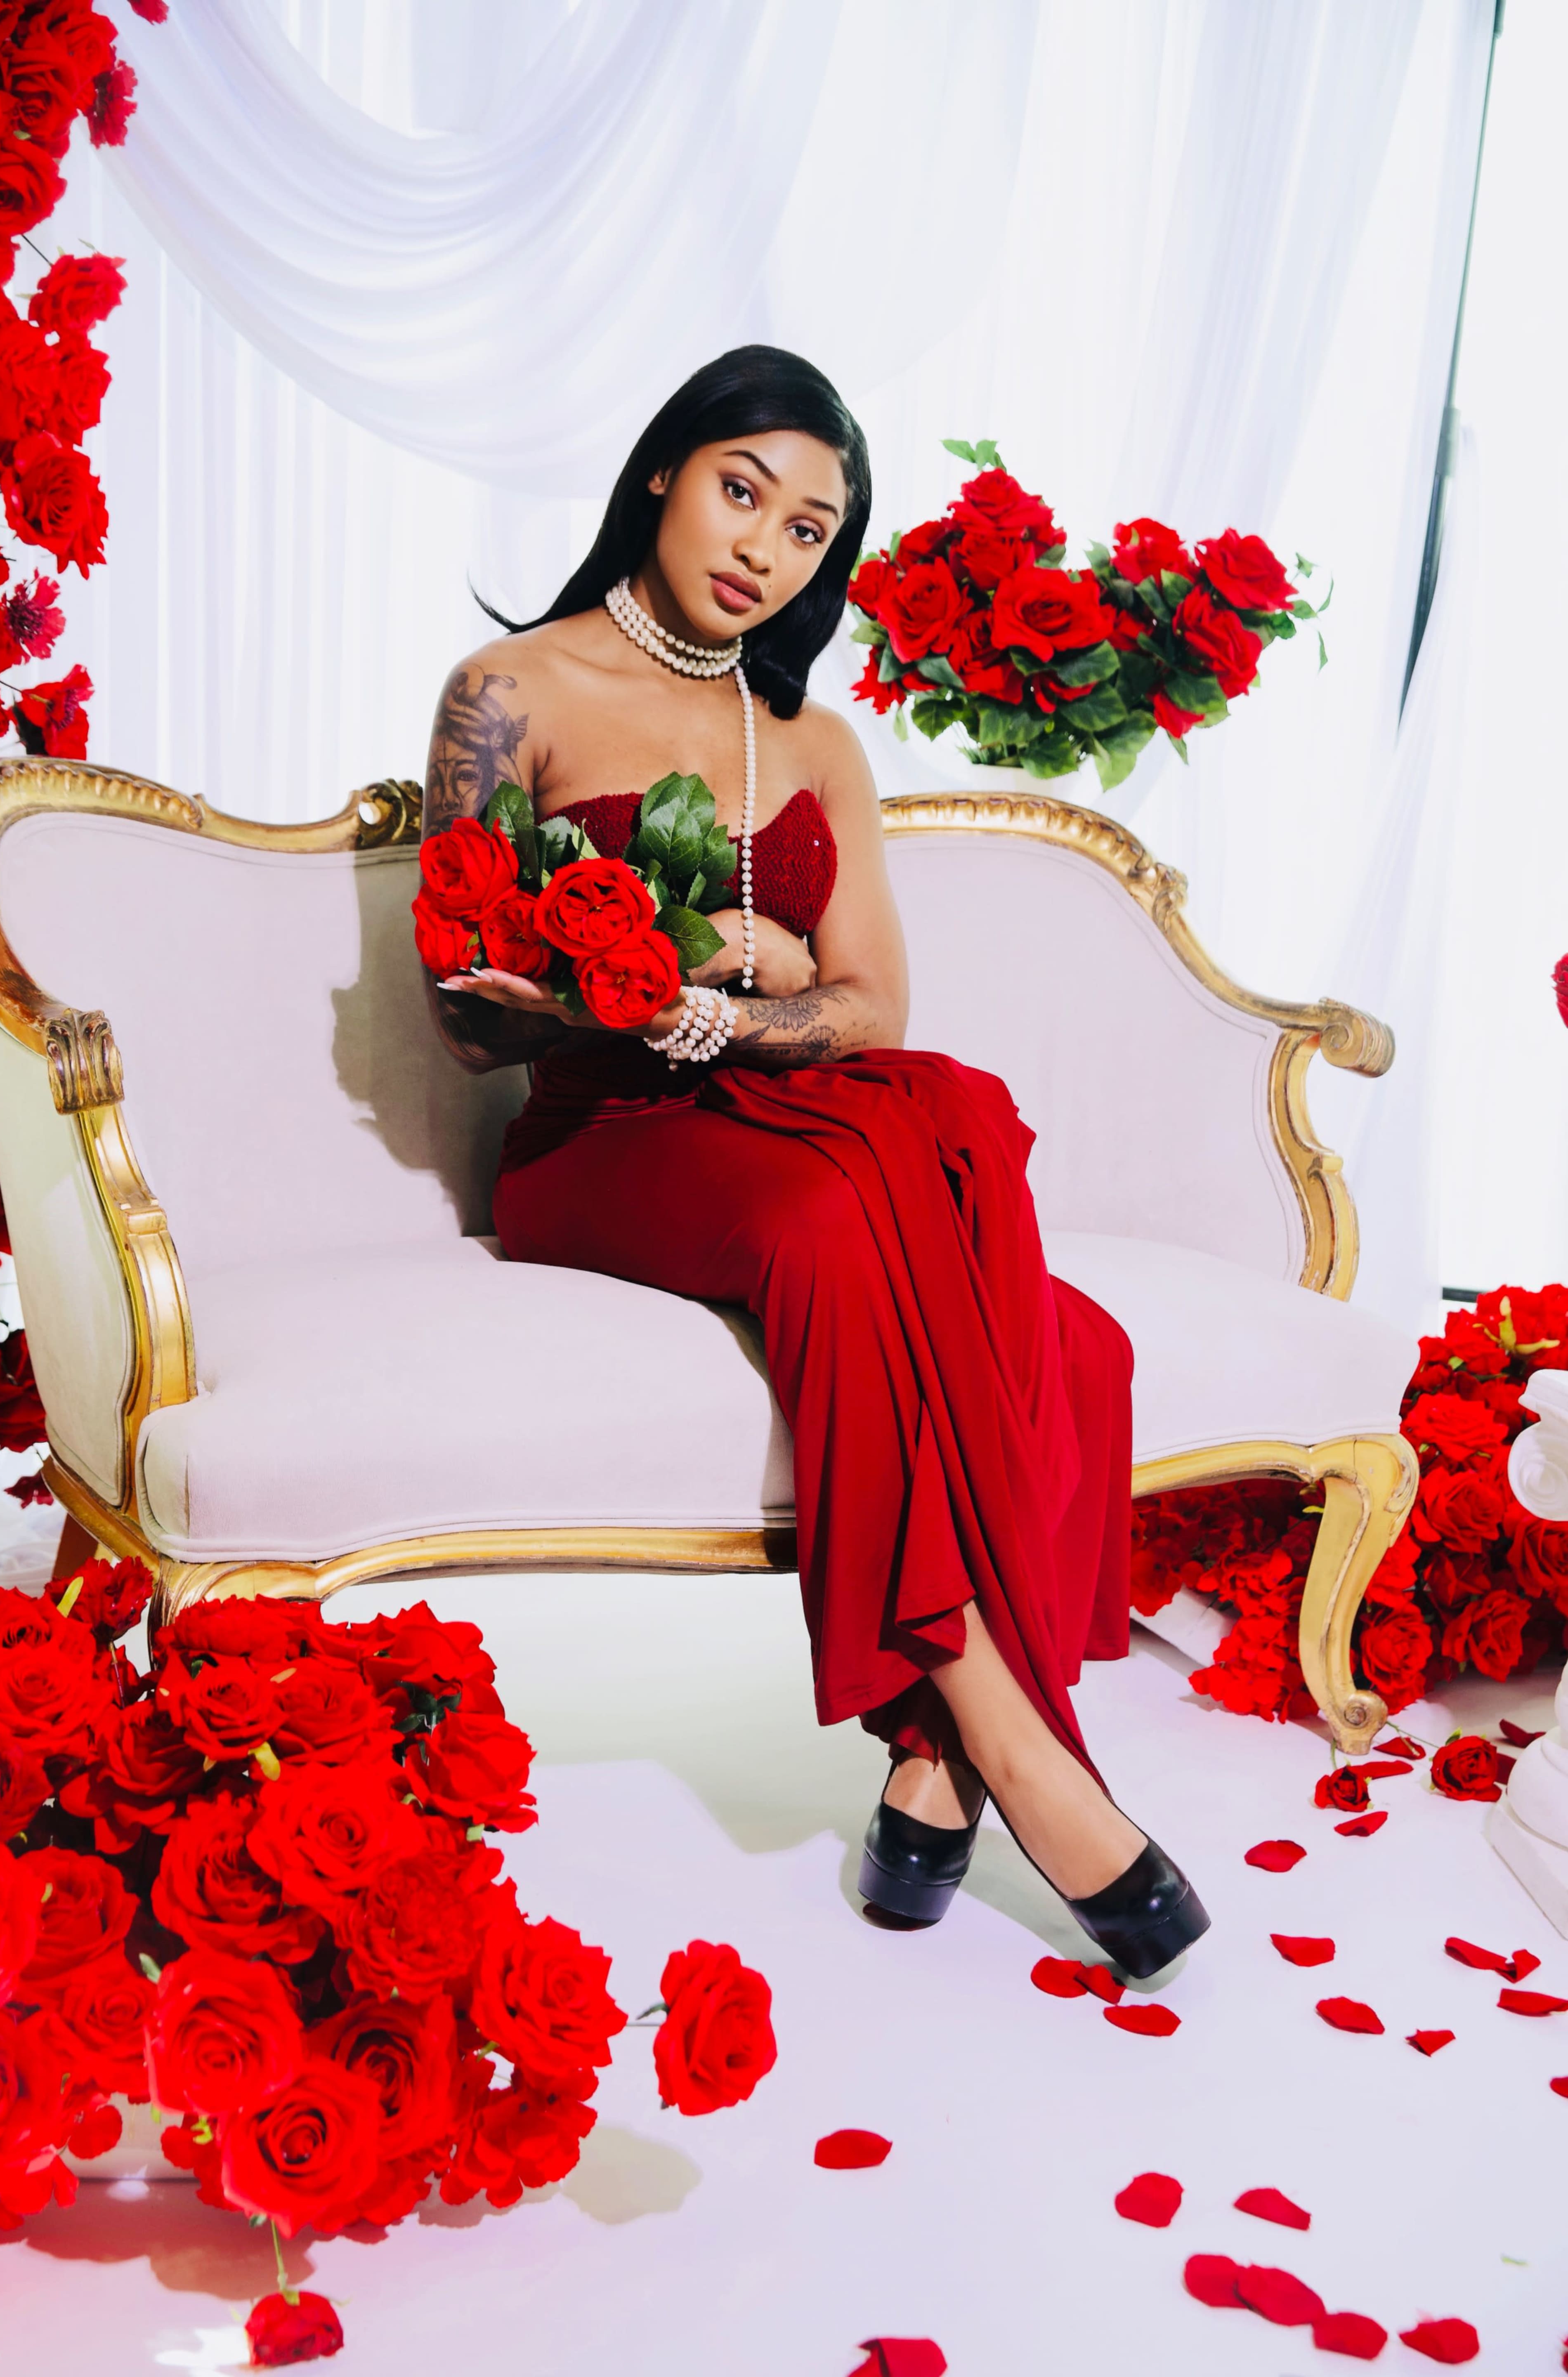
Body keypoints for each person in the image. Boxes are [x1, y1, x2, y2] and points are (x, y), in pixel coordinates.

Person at [424, 345, 1208, 1978]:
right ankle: (1005, 1732)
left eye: (807, 529)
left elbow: (870, 1006)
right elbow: (469, 1016)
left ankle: (930, 1768)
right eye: (741, 490)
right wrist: (689, 952)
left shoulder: (814, 735)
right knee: (842, 1200)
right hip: (599, 1138)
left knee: (1052, 1289)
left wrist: (750, 984)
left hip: (768, 1114)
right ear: (665, 472)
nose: (762, 546)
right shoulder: (511, 696)